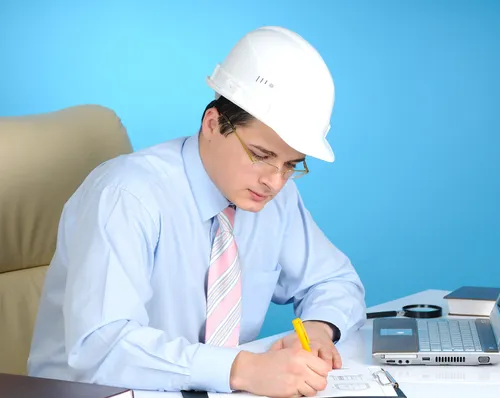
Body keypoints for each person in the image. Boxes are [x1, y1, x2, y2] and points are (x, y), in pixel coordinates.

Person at [27, 26, 366, 397]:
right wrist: (242, 369)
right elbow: (101, 346)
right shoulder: (126, 195)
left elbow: (335, 281)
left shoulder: (276, 199)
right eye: (261, 155)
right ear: (213, 124)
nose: (275, 181)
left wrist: (319, 328)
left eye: (291, 164)